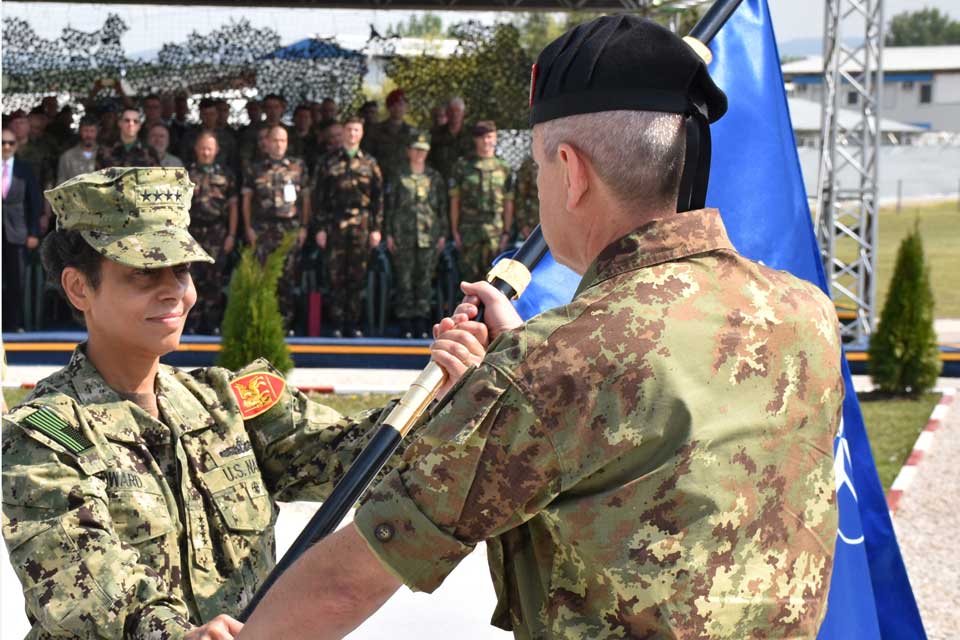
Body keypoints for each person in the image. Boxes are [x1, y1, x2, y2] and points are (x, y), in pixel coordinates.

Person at [238, 16, 845, 640]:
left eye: (535, 170)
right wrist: (523, 359)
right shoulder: (805, 311)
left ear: (570, 170)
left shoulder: (555, 361)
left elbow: (357, 576)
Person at [1, 166, 485, 640]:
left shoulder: (225, 402)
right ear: (79, 287)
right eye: (144, 273)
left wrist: (442, 395)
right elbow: (79, 580)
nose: (173, 291)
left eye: (182, 270)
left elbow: (350, 456)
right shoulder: (43, 435)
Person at [312, 115, 383, 338]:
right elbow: (318, 198)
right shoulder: (328, 162)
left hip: (361, 226)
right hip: (334, 225)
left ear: (361, 134)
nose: (352, 134)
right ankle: (336, 323)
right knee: (335, 275)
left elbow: (378, 199)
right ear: (343, 133)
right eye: (349, 130)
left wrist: (376, 228)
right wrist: (320, 228)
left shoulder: (370, 163)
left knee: (357, 276)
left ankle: (352, 323)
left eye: (356, 130)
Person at [242, 125, 311, 328]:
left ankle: (285, 322)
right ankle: (263, 321)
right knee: (263, 277)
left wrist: (304, 227)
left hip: (290, 228)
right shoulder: (254, 168)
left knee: (287, 277)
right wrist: (248, 228)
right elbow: (246, 200)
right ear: (267, 143)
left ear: (287, 143)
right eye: (275, 140)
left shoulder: (298, 166)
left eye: (283, 140)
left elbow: (306, 199)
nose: (279, 144)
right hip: (263, 229)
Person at [385, 131, 448, 339]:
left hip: (428, 236)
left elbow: (441, 207)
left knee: (424, 280)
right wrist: (389, 234)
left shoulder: (434, 177)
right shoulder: (399, 176)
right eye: (416, 149)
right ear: (409, 151)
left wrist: (442, 234)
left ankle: (421, 321)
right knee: (404, 279)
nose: (419, 153)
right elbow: (390, 207)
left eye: (423, 150)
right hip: (403, 235)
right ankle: (405, 323)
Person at [448, 120, 515, 283]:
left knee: (494, 282)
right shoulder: (463, 166)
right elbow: (455, 201)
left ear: (495, 138)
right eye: (482, 137)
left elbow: (508, 202)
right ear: (475, 140)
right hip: (469, 231)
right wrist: (455, 231)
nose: (486, 141)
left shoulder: (504, 167)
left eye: (490, 137)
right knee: (468, 281)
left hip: (495, 232)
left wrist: (506, 231)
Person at [186, 131, 238, 334]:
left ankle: (213, 322)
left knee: (214, 278)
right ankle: (192, 322)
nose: (206, 152)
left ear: (216, 150)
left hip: (217, 231)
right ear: (196, 149)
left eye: (210, 148)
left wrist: (231, 234)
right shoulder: (186, 174)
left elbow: (233, 206)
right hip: (193, 231)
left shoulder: (226, 174)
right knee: (192, 277)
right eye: (203, 148)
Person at [2, 126, 43, 332]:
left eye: (10, 143)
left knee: (16, 281)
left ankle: (14, 323)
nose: (6, 147)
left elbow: (34, 203)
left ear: (16, 145)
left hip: (17, 233)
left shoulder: (24, 170)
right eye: (2, 143)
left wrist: (34, 232)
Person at [367, 88, 413, 184]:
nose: (399, 108)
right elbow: (367, 157)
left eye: (402, 104)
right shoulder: (375, 131)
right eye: (395, 104)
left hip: (405, 183)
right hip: (381, 181)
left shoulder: (413, 132)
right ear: (389, 107)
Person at [96, 107, 160, 168]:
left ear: (139, 125)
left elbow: (156, 177)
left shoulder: (149, 152)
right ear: (120, 123)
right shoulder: (104, 150)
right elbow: (97, 176)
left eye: (135, 121)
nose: (131, 124)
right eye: (127, 120)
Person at [427, 96, 472, 182]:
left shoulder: (471, 135)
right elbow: (428, 160)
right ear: (447, 113)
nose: (455, 114)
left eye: (458, 111)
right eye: (451, 111)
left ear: (463, 113)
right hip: (441, 182)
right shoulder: (435, 134)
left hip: (465, 182)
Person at [57, 116, 99, 184]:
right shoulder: (67, 157)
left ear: (97, 132)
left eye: (92, 131)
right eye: (85, 131)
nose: (89, 135)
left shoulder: (104, 156)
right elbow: (60, 184)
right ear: (80, 131)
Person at [512, 154, 539, 241]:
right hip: (534, 225)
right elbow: (520, 196)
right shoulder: (530, 164)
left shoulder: (563, 159)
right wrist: (523, 224)